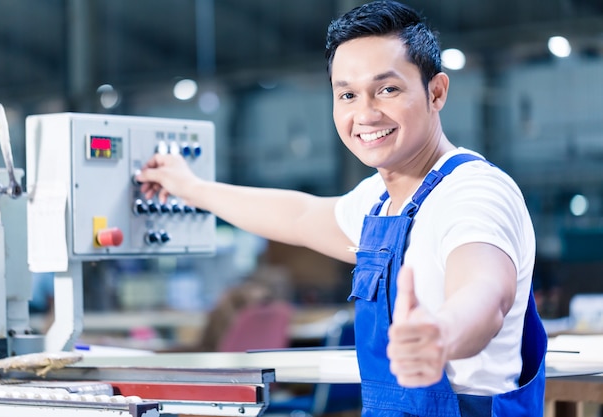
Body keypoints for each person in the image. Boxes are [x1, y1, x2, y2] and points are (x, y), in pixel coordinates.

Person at [136, 1, 546, 415]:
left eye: (388, 89)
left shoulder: (474, 193)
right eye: (347, 94)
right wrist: (189, 187)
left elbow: (486, 293)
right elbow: (296, 216)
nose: (365, 113)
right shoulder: (381, 202)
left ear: (436, 91)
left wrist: (441, 334)